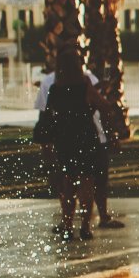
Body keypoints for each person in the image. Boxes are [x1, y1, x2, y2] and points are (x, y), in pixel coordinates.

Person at [33, 50, 116, 240]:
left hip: (64, 139)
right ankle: (85, 226)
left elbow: (48, 115)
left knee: (68, 183)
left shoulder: (55, 88)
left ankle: (68, 224)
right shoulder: (84, 85)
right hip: (85, 137)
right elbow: (103, 106)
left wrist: (48, 142)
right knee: (87, 181)